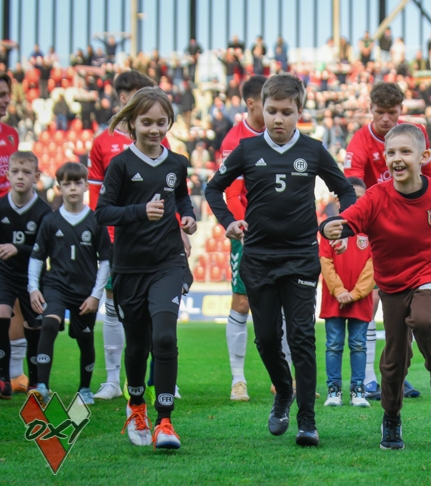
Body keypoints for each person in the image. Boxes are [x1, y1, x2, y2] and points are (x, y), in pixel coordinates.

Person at [320, 124, 431, 450]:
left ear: (424, 156)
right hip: (391, 286)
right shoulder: (376, 196)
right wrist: (331, 227)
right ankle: (391, 419)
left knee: (423, 318)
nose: (397, 158)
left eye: (405, 151)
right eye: (391, 152)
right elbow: (348, 221)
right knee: (394, 361)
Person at [205, 74, 356, 447]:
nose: (278, 118)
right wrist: (228, 222)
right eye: (272, 110)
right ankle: (284, 390)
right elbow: (213, 188)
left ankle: (307, 421)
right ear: (262, 108)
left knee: (301, 336)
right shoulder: (246, 149)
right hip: (258, 258)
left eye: (287, 112)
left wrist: (343, 225)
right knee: (267, 338)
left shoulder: (314, 150)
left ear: (299, 111)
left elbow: (346, 189)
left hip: (301, 257)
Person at [96, 87, 197, 450]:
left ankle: (165, 421)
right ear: (132, 123)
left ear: (170, 122)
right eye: (146, 122)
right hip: (129, 268)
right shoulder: (121, 165)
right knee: (137, 346)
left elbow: (182, 196)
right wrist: (140, 211)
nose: (154, 129)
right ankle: (136, 405)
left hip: (168, 263)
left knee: (165, 337)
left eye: (161, 122)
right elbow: (102, 212)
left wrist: (188, 216)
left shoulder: (177, 163)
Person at [344, 81, 431, 400]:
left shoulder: (413, 136)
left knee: (404, 305)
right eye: (380, 112)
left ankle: (397, 375)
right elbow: (352, 184)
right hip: (374, 228)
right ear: (371, 109)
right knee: (370, 301)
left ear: (400, 111)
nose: (386, 119)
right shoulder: (360, 140)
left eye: (392, 113)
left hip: (409, 230)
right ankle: (369, 377)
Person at [27, 162, 111, 406]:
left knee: (85, 339)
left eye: (77, 183)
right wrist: (33, 288)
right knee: (49, 325)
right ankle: (42, 387)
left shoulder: (96, 221)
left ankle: (84, 388)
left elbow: (106, 261)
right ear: (59, 188)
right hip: (56, 287)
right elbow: (37, 257)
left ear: (85, 186)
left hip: (85, 291)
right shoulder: (50, 221)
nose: (72, 188)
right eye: (67, 184)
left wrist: (96, 295)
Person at [218, 74, 267, 402]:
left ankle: (284, 377)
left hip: (281, 231)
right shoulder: (233, 140)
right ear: (251, 103)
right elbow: (232, 193)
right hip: (248, 232)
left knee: (285, 304)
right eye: (268, 103)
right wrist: (244, 229)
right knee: (242, 301)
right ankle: (238, 380)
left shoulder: (284, 134)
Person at [0, 152, 51, 400]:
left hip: (34, 277)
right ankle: (3, 379)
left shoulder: (43, 211)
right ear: (7, 175)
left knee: (34, 325)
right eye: (15, 171)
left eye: (26, 172)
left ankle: (35, 380)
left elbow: (46, 250)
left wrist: (18, 248)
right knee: (1, 314)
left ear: (36, 177)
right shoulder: (1, 206)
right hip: (5, 274)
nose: (20, 176)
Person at [320, 177, 373, 408]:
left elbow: (374, 265)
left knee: (359, 344)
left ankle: (358, 390)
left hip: (359, 300)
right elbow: (325, 262)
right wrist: (340, 291)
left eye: (360, 198)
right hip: (334, 299)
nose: (355, 202)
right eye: (350, 197)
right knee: (333, 345)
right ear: (339, 201)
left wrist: (355, 293)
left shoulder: (371, 229)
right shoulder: (330, 228)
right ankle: (334, 390)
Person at [0, 73, 30, 395]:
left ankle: (15, 373)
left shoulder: (10, 134)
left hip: (10, 222)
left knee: (16, 297)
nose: (7, 99)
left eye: (7, 93)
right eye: (1, 94)